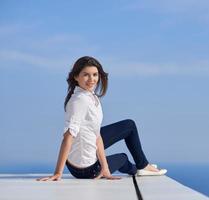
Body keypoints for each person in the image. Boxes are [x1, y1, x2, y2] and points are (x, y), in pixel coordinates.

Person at [37, 56, 167, 181]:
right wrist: (58, 173)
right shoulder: (80, 100)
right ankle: (139, 168)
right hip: (87, 170)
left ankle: (142, 166)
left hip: (76, 163)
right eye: (86, 74)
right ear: (76, 76)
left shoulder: (90, 96)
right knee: (123, 157)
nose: (91, 79)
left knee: (128, 126)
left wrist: (105, 166)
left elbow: (96, 135)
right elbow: (68, 136)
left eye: (95, 74)